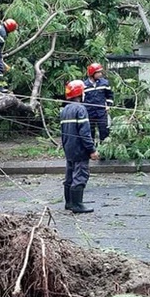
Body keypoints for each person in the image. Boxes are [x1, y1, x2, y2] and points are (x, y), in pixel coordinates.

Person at [61, 80, 99, 214]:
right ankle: (77, 205)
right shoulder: (80, 109)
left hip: (68, 148)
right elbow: (85, 132)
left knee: (69, 175)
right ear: (80, 93)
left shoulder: (65, 110)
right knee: (80, 175)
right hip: (79, 149)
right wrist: (92, 150)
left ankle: (69, 203)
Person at [83, 62, 114, 143]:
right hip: (89, 112)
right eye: (98, 72)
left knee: (104, 131)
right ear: (92, 73)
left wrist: (109, 105)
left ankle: (104, 151)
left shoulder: (104, 83)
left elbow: (110, 96)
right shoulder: (84, 85)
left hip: (101, 112)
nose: (100, 74)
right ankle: (91, 151)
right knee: (90, 132)